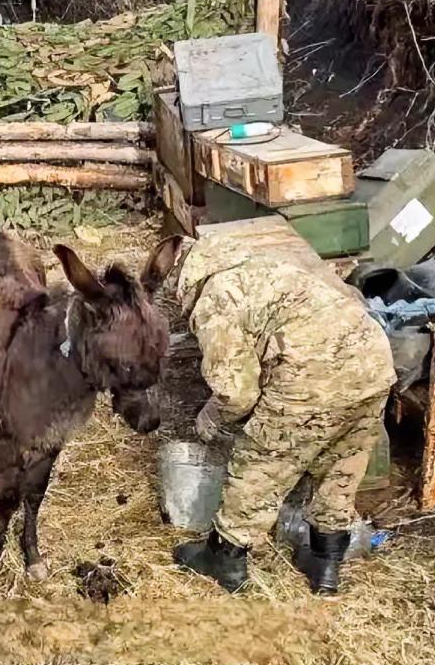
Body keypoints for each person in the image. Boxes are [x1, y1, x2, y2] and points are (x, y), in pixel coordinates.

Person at [153, 233, 396, 597]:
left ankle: (225, 557)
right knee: (341, 465)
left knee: (262, 462)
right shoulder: (264, 267)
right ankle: (325, 561)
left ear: (179, 279)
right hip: (373, 363)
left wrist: (211, 417)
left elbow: (237, 393)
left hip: (312, 379)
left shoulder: (216, 298)